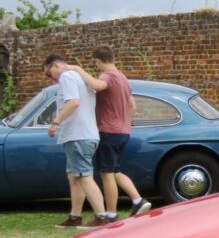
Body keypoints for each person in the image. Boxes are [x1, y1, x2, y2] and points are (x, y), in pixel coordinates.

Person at [69, 47, 151, 219]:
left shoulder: (108, 76)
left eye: (95, 62)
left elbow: (98, 86)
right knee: (115, 170)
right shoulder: (123, 78)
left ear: (97, 61)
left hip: (108, 131)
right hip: (123, 131)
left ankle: (111, 214)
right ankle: (138, 201)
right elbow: (132, 106)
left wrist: (78, 69)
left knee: (106, 173)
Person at [42, 54, 109, 228]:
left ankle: (101, 217)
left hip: (78, 134)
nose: (51, 78)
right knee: (74, 177)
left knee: (84, 176)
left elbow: (73, 102)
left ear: (56, 65)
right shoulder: (80, 76)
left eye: (49, 74)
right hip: (84, 134)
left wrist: (55, 122)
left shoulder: (67, 76)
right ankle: (75, 216)